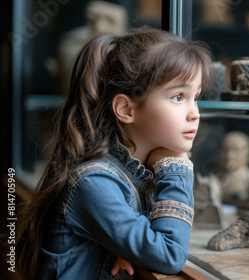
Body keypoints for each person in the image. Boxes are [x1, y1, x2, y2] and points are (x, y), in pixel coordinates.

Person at [17, 27, 213, 280]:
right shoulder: (95, 182)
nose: (194, 113)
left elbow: (165, 237)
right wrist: (176, 166)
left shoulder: (137, 173)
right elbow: (169, 254)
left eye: (195, 97)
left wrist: (128, 244)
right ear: (126, 109)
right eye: (178, 96)